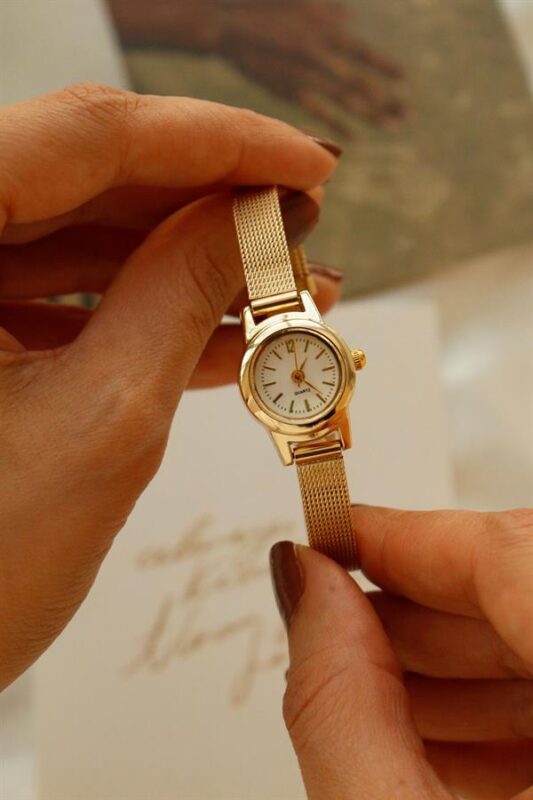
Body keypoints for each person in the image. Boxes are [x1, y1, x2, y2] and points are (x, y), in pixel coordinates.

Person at [0, 83, 531, 799]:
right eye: (286, 376)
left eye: (317, 368)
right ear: (261, 390)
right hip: (302, 420)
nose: (301, 375)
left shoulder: (300, 370)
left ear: (343, 367)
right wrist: (222, 250)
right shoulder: (279, 366)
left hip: (313, 423)